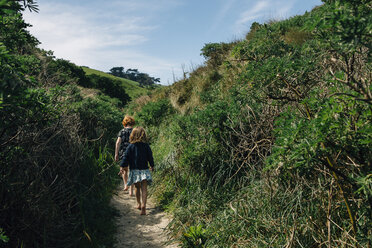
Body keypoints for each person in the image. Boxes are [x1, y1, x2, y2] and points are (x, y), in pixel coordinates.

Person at [120, 127, 154, 215]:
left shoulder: (130, 146)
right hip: (144, 170)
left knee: (137, 188)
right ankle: (144, 206)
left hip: (134, 171)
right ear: (143, 135)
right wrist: (152, 165)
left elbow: (125, 157)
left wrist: (122, 166)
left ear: (132, 135)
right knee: (144, 189)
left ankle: (138, 204)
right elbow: (150, 156)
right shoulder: (146, 146)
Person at [115, 115, 135, 196]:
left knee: (124, 169)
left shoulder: (122, 131)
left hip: (124, 153)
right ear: (132, 123)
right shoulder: (134, 131)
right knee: (131, 170)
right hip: (133, 152)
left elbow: (118, 143)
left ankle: (126, 184)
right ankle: (131, 190)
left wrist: (116, 154)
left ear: (124, 123)